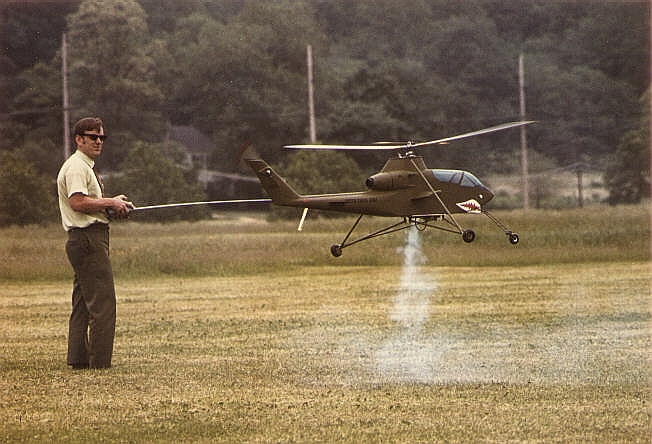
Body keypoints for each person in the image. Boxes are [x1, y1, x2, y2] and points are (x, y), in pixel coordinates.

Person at [57, 117, 133, 369]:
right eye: (93, 137)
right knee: (103, 302)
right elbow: (77, 202)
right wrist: (110, 202)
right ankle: (100, 363)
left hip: (85, 239)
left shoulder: (84, 166)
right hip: (87, 239)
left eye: (102, 138)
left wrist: (113, 204)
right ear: (79, 139)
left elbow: (88, 204)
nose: (98, 142)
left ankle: (78, 359)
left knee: (82, 302)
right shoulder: (78, 166)